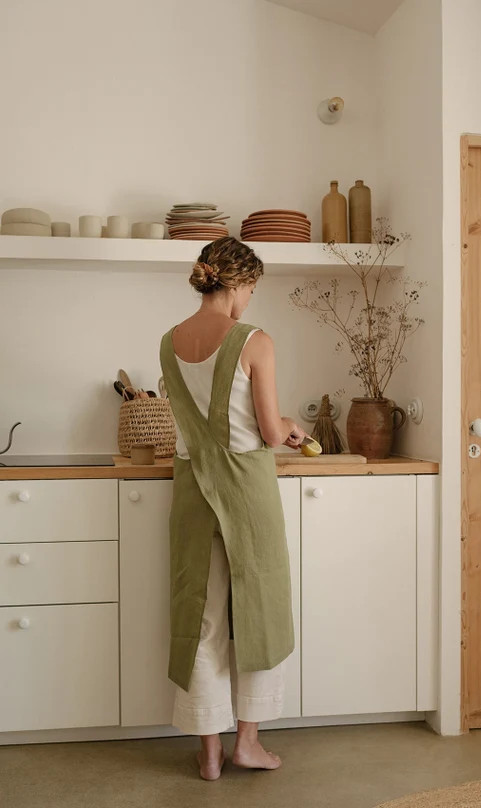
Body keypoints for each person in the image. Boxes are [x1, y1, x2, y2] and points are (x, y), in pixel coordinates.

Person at [159, 236, 308, 781]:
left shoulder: (167, 342)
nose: (250, 298)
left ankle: (211, 751)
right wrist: (290, 425)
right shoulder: (254, 340)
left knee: (200, 617)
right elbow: (269, 432)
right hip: (246, 493)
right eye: (251, 287)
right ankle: (248, 743)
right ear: (239, 282)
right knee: (257, 615)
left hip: (194, 493)